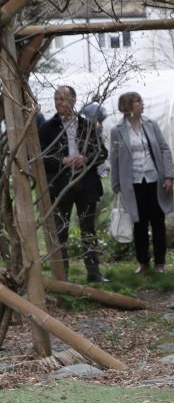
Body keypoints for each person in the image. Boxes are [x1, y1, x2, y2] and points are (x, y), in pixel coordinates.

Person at [38, 85, 109, 283]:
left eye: (62, 98)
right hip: (60, 186)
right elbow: (40, 158)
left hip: (85, 184)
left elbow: (103, 153)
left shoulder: (87, 125)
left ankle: (94, 273)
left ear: (74, 101)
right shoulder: (47, 127)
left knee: (88, 229)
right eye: (55, 99)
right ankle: (63, 276)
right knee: (61, 231)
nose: (58, 102)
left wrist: (85, 159)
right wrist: (63, 161)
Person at [109, 91, 174, 274]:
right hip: (133, 183)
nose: (142, 104)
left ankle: (160, 263)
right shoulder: (117, 130)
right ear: (128, 106)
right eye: (138, 101)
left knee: (158, 221)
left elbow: (164, 149)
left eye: (141, 100)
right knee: (139, 223)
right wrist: (116, 186)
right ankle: (143, 262)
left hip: (154, 180)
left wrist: (169, 175)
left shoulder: (150, 124)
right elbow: (114, 159)